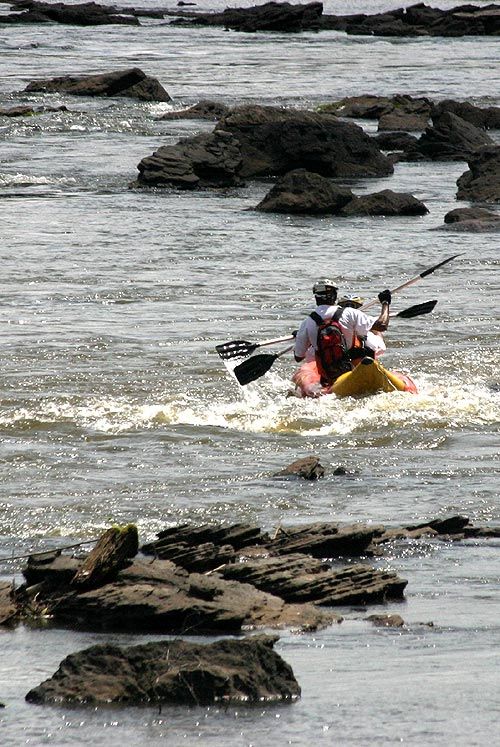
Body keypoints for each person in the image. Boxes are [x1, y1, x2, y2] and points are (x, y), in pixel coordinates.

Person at [293, 279, 391, 394]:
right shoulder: (350, 313)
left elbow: (298, 357)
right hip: (355, 369)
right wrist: (385, 303)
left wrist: (303, 338)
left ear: (316, 298)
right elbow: (382, 325)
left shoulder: (307, 323)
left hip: (329, 377)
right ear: (335, 296)